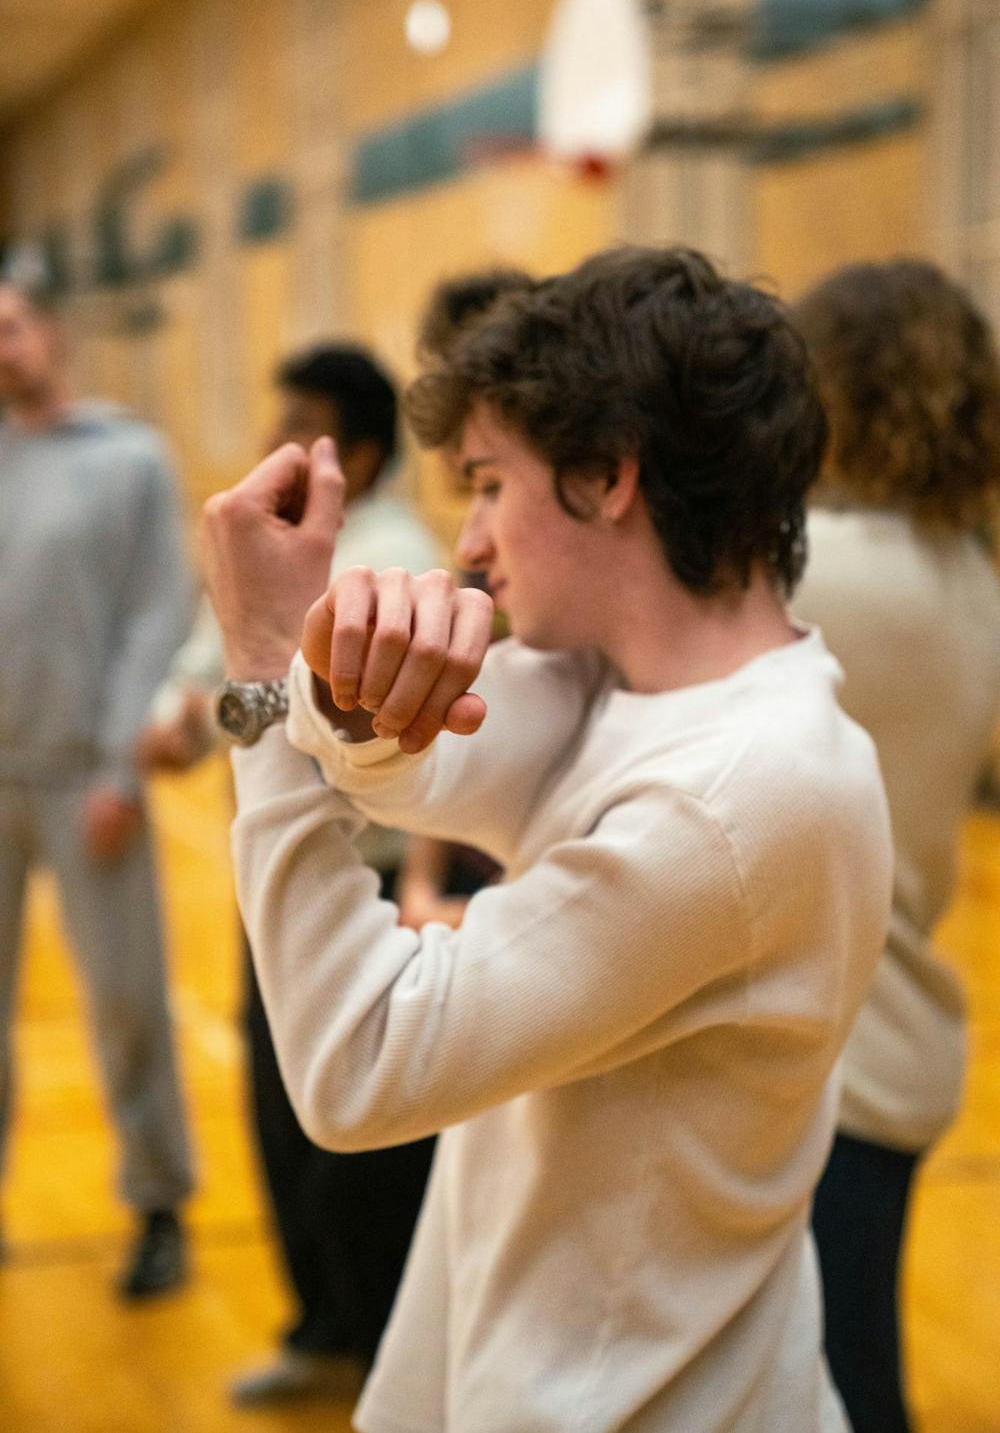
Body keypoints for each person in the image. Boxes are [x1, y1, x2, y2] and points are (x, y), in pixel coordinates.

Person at [202, 246, 894, 1432]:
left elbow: (358, 1068)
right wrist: (339, 675)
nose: (470, 540)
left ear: (605, 474)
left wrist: (263, 676)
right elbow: (411, 766)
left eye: (486, 484)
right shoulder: (623, 679)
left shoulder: (739, 792)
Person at [141, 344, 443, 1405]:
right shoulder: (274, 543)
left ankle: (390, 1363)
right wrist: (185, 715)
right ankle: (323, 1329)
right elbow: (216, 669)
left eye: (300, 421)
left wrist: (230, 706)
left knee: (368, 1144)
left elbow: (295, 713)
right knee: (281, 1117)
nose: (275, 438)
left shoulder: (393, 562)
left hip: (371, 890)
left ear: (354, 454)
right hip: (278, 878)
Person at [791, 259, 1000, 1433]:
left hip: (836, 1059)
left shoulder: (808, 569)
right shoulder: (967, 576)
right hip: (890, 1035)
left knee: (837, 1391)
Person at [0, 280, 195, 1297]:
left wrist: (122, 764)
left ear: (51, 332)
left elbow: (158, 615)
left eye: (9, 327)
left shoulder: (129, 460)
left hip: (88, 779)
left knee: (125, 1002)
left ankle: (159, 1204)